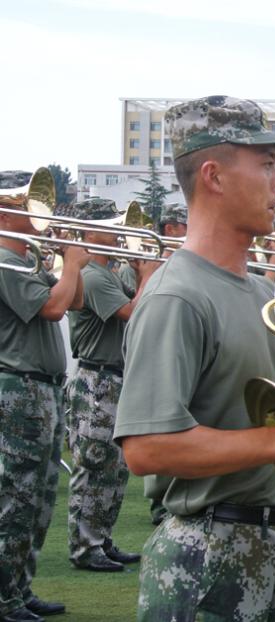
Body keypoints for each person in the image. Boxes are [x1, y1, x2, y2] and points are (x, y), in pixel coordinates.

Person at [113, 95, 275, 621]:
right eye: (265, 166)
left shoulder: (264, 293)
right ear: (213, 176)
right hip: (206, 554)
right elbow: (147, 449)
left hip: (268, 542)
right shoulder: (178, 296)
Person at [0, 170, 89, 622]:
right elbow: (53, 308)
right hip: (20, 389)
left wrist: (67, 264)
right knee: (15, 497)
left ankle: (20, 587)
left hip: (42, 389)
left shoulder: (27, 260)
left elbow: (70, 301)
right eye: (22, 206)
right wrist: (71, 262)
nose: (35, 214)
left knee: (39, 498)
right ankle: (3, 597)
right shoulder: (2, 260)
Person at [65, 198, 158, 573]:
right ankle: (85, 547)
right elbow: (135, 313)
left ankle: (101, 539)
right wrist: (149, 273)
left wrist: (141, 269)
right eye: (113, 224)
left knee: (114, 468)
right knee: (94, 464)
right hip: (97, 380)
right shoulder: (93, 275)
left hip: (115, 377)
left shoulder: (111, 271)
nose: (121, 231)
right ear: (91, 231)